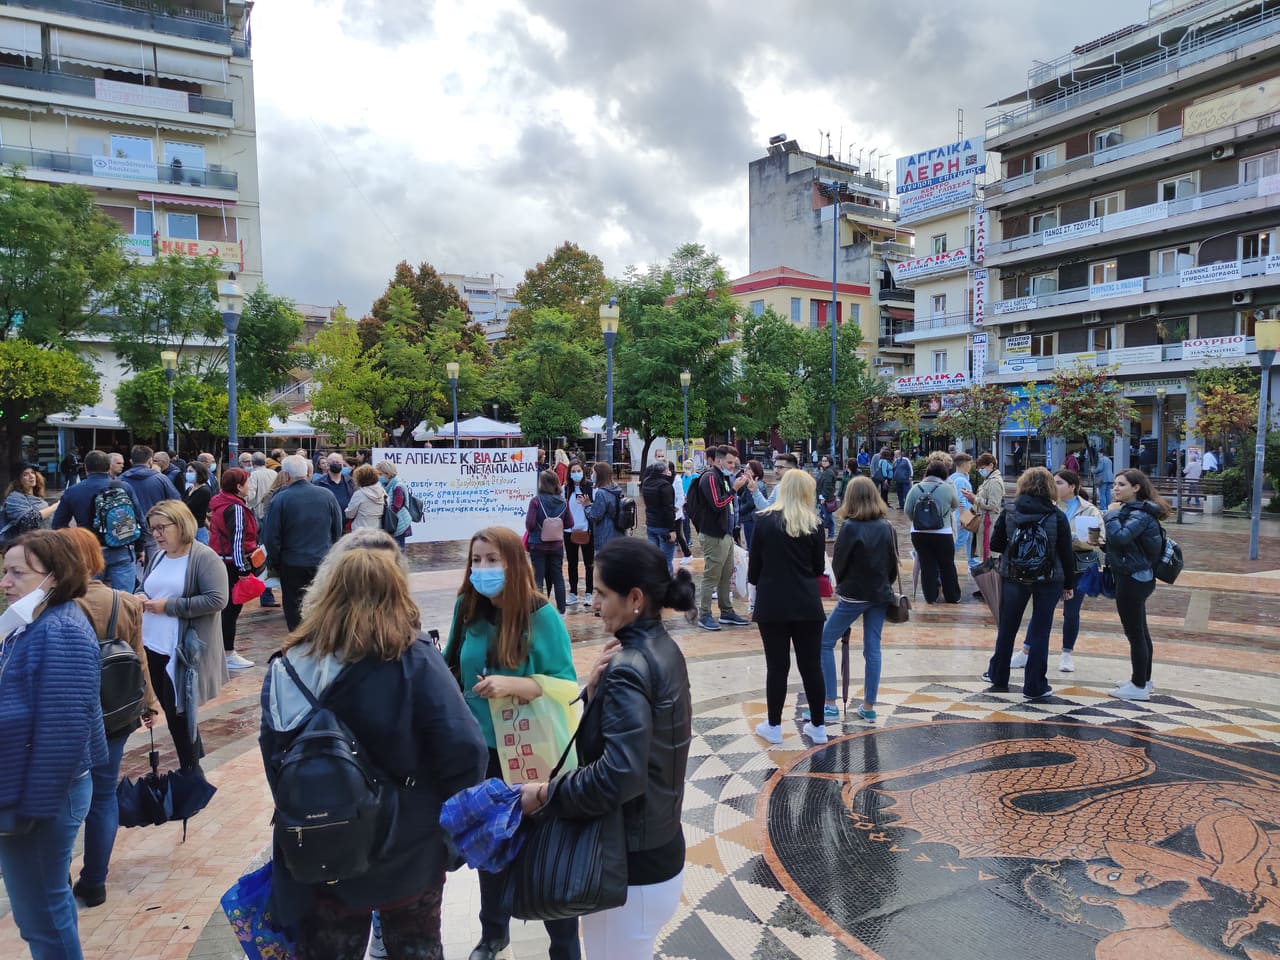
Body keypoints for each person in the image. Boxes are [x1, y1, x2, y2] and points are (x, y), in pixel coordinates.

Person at [260, 541, 486, 960]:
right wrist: (448, 821)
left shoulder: (288, 664)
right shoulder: (412, 657)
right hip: (408, 845)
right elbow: (466, 747)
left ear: (325, 588)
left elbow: (274, 757)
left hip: (320, 846)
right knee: (416, 948)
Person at [518, 537, 692, 960]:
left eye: (601, 593)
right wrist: (595, 696)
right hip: (659, 850)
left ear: (635, 599)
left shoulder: (628, 667)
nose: (594, 605)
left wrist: (545, 794)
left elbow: (620, 775)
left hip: (628, 869)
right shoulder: (663, 648)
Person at [442, 526, 580, 960]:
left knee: (547, 847)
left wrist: (514, 684)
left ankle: (564, 944)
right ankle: (493, 934)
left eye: (491, 560)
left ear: (514, 564)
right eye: (476, 560)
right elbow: (450, 665)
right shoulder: (467, 607)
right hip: (482, 750)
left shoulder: (542, 615)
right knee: (491, 844)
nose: (481, 569)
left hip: (532, 751)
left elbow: (566, 684)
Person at [0, 531, 104, 959]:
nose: (5, 582)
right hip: (34, 792)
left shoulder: (60, 631)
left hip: (41, 798)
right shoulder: (33, 622)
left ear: (54, 577)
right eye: (4, 571)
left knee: (40, 916)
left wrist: (26, 814)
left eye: (17, 573)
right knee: (44, 909)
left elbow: (63, 734)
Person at [59, 527, 157, 909]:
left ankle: (58, 878)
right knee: (103, 795)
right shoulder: (125, 600)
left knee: (62, 798)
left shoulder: (55, 606)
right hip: (116, 711)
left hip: (68, 714)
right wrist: (148, 704)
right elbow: (139, 656)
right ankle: (95, 881)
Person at [139, 500, 229, 772]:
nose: (156, 534)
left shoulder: (204, 557)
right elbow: (147, 586)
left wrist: (169, 606)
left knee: (179, 711)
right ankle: (192, 764)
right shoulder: (159, 556)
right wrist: (139, 595)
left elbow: (217, 599)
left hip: (182, 650)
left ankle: (191, 771)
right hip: (153, 644)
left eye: (162, 527)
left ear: (181, 525)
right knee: (174, 711)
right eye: (152, 529)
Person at [747, 469, 828, 745]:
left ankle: (774, 726)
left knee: (777, 667)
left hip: (772, 603)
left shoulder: (763, 521)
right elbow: (818, 567)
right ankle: (818, 726)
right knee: (812, 666)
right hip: (807, 603)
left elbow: (753, 570)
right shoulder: (815, 524)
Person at [982, 467, 1076, 702]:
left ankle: (998, 675)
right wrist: (1069, 584)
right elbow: (1066, 554)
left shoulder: (1009, 511)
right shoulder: (1057, 516)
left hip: (1014, 576)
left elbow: (995, 544)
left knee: (1007, 626)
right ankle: (1035, 685)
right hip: (1049, 579)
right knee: (1041, 630)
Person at [1007, 469, 1102, 674]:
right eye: (1054, 482)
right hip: (1050, 565)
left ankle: (1067, 653)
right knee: (1042, 609)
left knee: (1072, 611)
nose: (1055, 486)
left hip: (1077, 565)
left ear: (1072, 486)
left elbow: (1097, 538)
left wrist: (1071, 539)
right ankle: (1026, 650)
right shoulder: (1048, 506)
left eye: (1059, 483)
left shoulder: (1089, 510)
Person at [821, 476, 897, 724]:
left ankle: (830, 703)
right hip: (880, 593)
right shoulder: (886, 526)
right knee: (872, 648)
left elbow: (838, 563)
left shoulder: (850, 527)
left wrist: (842, 584)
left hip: (854, 594)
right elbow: (893, 563)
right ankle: (869, 706)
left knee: (824, 641)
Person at [1103, 469, 1170, 702]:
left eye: (1121, 484)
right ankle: (1144, 679)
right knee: (1140, 630)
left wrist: (1111, 514)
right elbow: (1127, 546)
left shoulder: (1139, 514)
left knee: (1135, 633)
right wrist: (1102, 544)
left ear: (1136, 488)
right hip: (1135, 575)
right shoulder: (1135, 511)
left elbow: (1121, 537)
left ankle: (1138, 685)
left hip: (1133, 578)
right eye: (1114, 484)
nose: (1115, 488)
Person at [263, 456, 344, 631]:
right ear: (308, 473)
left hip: (292, 562)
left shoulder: (280, 499)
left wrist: (276, 560)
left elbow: (270, 536)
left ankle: (299, 640)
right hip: (321, 560)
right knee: (320, 604)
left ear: (286, 475)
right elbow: (337, 529)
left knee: (294, 607)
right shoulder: (327, 495)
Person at [52, 450, 148, 593]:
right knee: (124, 597)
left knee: (91, 597)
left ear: (85, 468)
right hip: (122, 546)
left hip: (89, 550)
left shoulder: (73, 491)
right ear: (108, 467)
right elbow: (139, 518)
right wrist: (140, 547)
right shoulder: (123, 487)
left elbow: (58, 525)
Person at [692, 445, 749, 631]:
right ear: (718, 460)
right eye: (730, 462)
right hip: (714, 535)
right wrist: (734, 490)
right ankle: (704, 614)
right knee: (711, 576)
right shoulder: (710, 477)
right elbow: (717, 504)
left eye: (734, 463)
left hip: (725, 534)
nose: (733, 466)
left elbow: (727, 505)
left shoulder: (721, 477)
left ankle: (726, 611)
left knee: (726, 575)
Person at [207, 467, 257, 671]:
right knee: (231, 609)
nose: (249, 486)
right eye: (247, 483)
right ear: (238, 486)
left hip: (222, 560)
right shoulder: (235, 508)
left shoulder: (221, 503)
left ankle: (222, 651)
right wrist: (243, 569)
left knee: (226, 609)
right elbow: (237, 540)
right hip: (230, 563)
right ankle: (228, 653)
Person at [905, 460, 962, 604]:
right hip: (943, 532)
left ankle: (930, 596)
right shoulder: (947, 488)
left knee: (926, 564)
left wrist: (918, 521)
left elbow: (907, 510)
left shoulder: (915, 488)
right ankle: (952, 596)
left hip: (918, 533)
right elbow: (955, 505)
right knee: (947, 564)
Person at [120, 445, 181, 564]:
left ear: (131, 461)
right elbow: (176, 502)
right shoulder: (161, 479)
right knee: (156, 562)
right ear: (150, 461)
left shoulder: (121, 480)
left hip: (129, 529)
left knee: (131, 565)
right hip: (156, 527)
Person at [526, 469, 574, 614]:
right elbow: (570, 523)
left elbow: (530, 524)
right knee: (558, 577)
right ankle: (561, 610)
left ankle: (538, 610)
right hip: (556, 545)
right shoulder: (564, 502)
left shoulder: (536, 501)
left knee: (538, 578)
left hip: (537, 544)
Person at [562, 459, 594, 606]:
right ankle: (573, 593)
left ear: (583, 471)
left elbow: (595, 510)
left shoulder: (590, 487)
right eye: (573, 471)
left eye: (578, 471)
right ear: (569, 473)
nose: (576, 474)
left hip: (586, 530)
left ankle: (589, 593)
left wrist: (588, 504)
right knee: (572, 563)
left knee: (589, 564)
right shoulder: (565, 488)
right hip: (569, 531)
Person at [965, 452, 1005, 563]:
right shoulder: (989, 480)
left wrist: (975, 499)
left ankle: (989, 572)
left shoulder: (994, 482)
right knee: (984, 553)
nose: (980, 471)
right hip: (984, 521)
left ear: (991, 465)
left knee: (988, 553)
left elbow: (992, 504)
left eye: (982, 468)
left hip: (989, 521)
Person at [640, 460, 677, 569]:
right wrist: (672, 529)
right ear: (664, 471)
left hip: (651, 524)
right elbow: (667, 509)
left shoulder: (647, 482)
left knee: (654, 560)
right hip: (663, 526)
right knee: (666, 561)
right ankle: (667, 579)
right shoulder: (665, 485)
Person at [3, 464, 56, 538]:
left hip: (45, 540)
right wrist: (54, 507)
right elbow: (29, 520)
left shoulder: (37, 497)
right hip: (28, 542)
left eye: (32, 472)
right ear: (18, 480)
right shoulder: (14, 497)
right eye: (25, 474)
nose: (31, 476)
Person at [585, 460, 625, 556]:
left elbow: (595, 516)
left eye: (593, 473)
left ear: (599, 475)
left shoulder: (601, 493)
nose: (592, 475)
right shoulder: (617, 489)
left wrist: (587, 505)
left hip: (604, 535)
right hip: (619, 533)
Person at [375, 460, 413, 550]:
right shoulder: (386, 484)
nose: (379, 477)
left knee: (398, 551)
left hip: (398, 524)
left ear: (387, 473)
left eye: (380, 474)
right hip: (394, 522)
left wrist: (381, 512)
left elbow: (396, 507)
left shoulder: (397, 486)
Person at [345, 464, 388, 532]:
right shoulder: (382, 491)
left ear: (359, 479)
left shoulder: (359, 494)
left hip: (360, 530)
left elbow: (350, 514)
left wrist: (346, 509)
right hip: (378, 530)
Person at [668, 460, 693, 564]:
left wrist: (676, 507)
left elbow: (681, 496)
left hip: (676, 512)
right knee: (676, 534)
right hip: (668, 511)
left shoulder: (677, 479)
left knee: (678, 533)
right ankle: (686, 554)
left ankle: (687, 554)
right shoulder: (666, 479)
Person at [183, 461, 214, 546]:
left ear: (199, 473)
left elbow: (188, 509)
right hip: (188, 528)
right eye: (187, 471)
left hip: (198, 529)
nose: (188, 474)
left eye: (191, 471)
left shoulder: (204, 490)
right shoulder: (190, 489)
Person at [950, 452, 974, 558]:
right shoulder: (960, 480)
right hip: (964, 514)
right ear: (964, 464)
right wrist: (963, 517)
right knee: (960, 539)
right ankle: (942, 558)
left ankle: (973, 562)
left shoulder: (956, 478)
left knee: (969, 538)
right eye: (969, 463)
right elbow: (960, 500)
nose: (970, 466)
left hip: (966, 513)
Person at [815, 454, 837, 538]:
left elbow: (827, 486)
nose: (823, 462)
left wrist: (823, 497)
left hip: (826, 499)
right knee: (823, 516)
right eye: (822, 461)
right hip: (823, 498)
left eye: (825, 461)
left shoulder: (828, 472)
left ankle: (830, 535)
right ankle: (828, 534)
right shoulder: (826, 471)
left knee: (828, 517)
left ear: (829, 462)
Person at [1093, 445, 1115, 509]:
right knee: (1108, 493)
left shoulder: (1101, 459)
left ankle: (1103, 507)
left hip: (1103, 479)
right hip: (1110, 478)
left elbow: (1100, 468)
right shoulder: (1109, 460)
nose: (1098, 455)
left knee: (1102, 494)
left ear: (1101, 453)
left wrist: (1093, 471)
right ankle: (1109, 506)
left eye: (1099, 454)